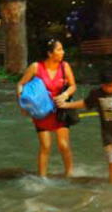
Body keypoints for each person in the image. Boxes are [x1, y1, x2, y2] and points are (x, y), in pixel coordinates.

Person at [16, 39, 76, 178]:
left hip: (61, 110)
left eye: (62, 49)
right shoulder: (36, 67)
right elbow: (21, 84)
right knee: (46, 146)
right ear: (50, 53)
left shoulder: (64, 66)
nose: (63, 52)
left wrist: (65, 94)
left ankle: (69, 175)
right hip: (41, 111)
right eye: (59, 49)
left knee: (63, 145)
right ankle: (42, 179)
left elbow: (73, 85)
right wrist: (22, 102)